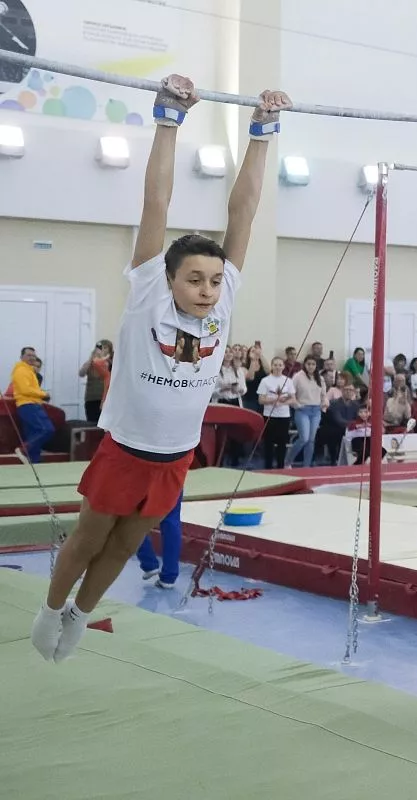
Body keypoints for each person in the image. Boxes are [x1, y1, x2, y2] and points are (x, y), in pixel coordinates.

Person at [29, 75, 290, 662]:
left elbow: (244, 207)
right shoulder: (148, 290)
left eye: (214, 280)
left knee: (124, 546)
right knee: (89, 537)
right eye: (194, 279)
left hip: (174, 455)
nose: (205, 290)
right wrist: (169, 118)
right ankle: (49, 607)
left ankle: (80, 612)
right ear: (168, 276)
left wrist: (264, 130)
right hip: (126, 447)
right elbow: (157, 201)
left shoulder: (225, 296)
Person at [10, 346, 54, 463]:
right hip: (28, 405)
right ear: (21, 357)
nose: (32, 358)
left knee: (33, 434)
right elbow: (25, 389)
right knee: (47, 429)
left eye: (33, 356)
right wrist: (43, 394)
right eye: (29, 355)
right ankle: (23, 449)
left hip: (29, 405)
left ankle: (33, 461)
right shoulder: (21, 370)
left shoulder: (29, 370)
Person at [137, 491, 182, 589]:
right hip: (173, 479)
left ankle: (149, 563)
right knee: (171, 520)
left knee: (133, 517)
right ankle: (169, 577)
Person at [79, 340, 113, 423]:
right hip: (91, 398)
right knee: (92, 424)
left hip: (107, 399)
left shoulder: (111, 362)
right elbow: (81, 373)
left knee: (105, 425)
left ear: (109, 350)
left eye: (105, 348)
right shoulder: (91, 363)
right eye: (100, 348)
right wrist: (91, 358)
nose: (102, 350)